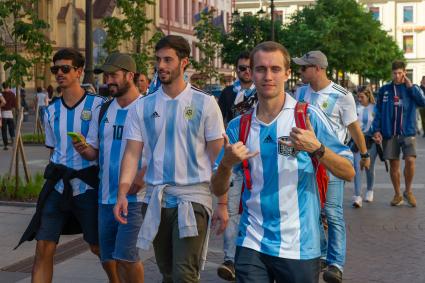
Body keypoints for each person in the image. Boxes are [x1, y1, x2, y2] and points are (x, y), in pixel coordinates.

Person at [211, 41, 355, 283]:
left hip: (299, 244)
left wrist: (317, 148)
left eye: (275, 69)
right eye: (261, 69)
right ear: (251, 73)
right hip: (251, 240)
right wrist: (226, 164)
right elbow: (217, 188)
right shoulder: (239, 126)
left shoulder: (306, 117)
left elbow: (348, 172)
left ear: (287, 74)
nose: (268, 76)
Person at [114, 35, 229, 283]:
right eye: (158, 60)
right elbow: (132, 153)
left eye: (168, 60)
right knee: (168, 271)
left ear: (184, 62)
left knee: (184, 274)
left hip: (194, 197)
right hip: (156, 199)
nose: (161, 66)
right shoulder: (142, 107)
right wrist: (123, 193)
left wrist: (221, 202)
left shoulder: (205, 103)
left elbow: (218, 158)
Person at [20, 48, 105, 283]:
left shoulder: (98, 105)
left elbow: (101, 151)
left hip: (87, 188)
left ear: (78, 72)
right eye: (55, 69)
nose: (59, 73)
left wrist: (89, 151)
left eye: (65, 68)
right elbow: (53, 151)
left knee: (99, 249)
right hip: (57, 188)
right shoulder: (51, 110)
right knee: (43, 247)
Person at [293, 50, 369, 283]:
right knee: (313, 212)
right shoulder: (300, 92)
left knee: (333, 212)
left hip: (333, 160)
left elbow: (354, 127)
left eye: (304, 68)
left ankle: (336, 263)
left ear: (317, 69)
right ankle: (324, 254)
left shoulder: (342, 95)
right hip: (309, 162)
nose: (300, 71)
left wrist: (364, 153)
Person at [75, 53, 146, 283]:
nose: (108, 81)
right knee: (107, 257)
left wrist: (142, 177)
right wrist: (84, 149)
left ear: (130, 75)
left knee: (126, 257)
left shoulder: (148, 109)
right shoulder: (104, 109)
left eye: (113, 75)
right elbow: (95, 151)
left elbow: (162, 153)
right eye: (106, 76)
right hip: (105, 199)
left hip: (135, 199)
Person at [216, 51, 255, 281]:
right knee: (230, 211)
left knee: (251, 210)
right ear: (236, 70)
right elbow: (219, 124)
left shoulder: (261, 92)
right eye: (242, 68)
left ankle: (250, 257)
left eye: (250, 68)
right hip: (233, 160)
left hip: (255, 159)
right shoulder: (227, 94)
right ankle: (229, 259)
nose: (246, 72)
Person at [372, 61, 425, 208]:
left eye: (400, 73)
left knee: (410, 161)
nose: (397, 76)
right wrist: (376, 129)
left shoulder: (411, 88)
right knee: (394, 165)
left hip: (407, 131)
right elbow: (378, 111)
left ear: (404, 73)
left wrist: (411, 87)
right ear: (391, 73)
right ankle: (397, 194)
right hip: (390, 133)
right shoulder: (385, 90)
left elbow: (423, 101)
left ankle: (408, 191)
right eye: (395, 73)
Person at [351, 86, 378, 208]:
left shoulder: (375, 108)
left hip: (370, 140)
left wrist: (378, 133)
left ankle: (370, 190)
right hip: (358, 140)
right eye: (358, 97)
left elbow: (378, 123)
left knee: (369, 167)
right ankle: (357, 196)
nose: (359, 99)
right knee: (357, 166)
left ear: (368, 96)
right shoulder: (355, 107)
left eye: (362, 97)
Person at [1, 82, 17, 150]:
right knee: (11, 129)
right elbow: (14, 104)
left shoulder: (2, 94)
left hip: (3, 113)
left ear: (3, 87)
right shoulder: (12, 94)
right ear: (8, 86)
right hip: (10, 113)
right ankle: (14, 143)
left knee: (4, 130)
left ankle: (6, 145)